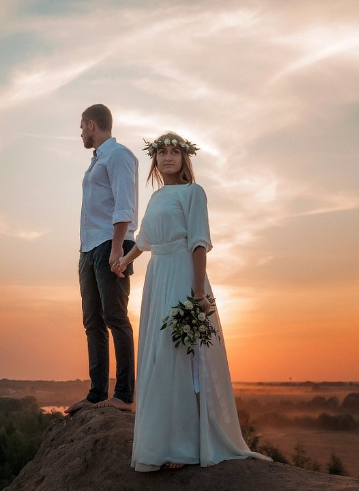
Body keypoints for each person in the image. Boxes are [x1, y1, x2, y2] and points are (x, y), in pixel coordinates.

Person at [112, 131, 269, 471]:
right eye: (162, 153)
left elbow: (198, 243)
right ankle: (162, 443)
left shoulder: (193, 192)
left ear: (185, 159)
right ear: (155, 160)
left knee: (178, 356)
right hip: (157, 278)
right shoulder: (156, 198)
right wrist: (124, 261)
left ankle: (184, 448)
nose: (168, 157)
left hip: (183, 274)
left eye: (174, 152)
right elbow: (145, 240)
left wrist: (198, 294)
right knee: (156, 355)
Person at [65, 104, 138, 415]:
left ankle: (124, 395)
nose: (81, 132)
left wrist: (117, 247)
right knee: (92, 322)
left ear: (92, 124)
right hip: (89, 248)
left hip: (111, 244)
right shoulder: (97, 160)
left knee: (115, 318)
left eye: (82, 126)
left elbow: (125, 204)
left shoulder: (118, 155)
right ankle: (96, 394)